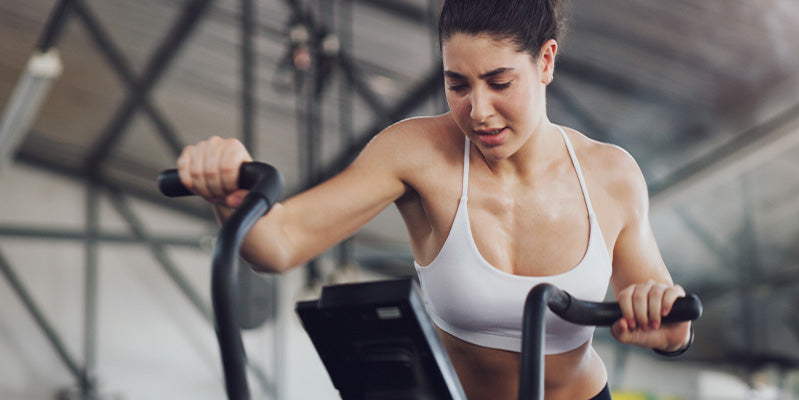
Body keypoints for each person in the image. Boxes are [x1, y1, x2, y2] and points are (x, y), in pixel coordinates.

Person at [175, 0, 692, 398]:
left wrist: (660, 321)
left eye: (499, 81)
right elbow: (278, 244)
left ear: (546, 62)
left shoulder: (611, 175)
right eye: (457, 84)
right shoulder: (416, 152)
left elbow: (673, 323)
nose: (479, 111)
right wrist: (231, 196)